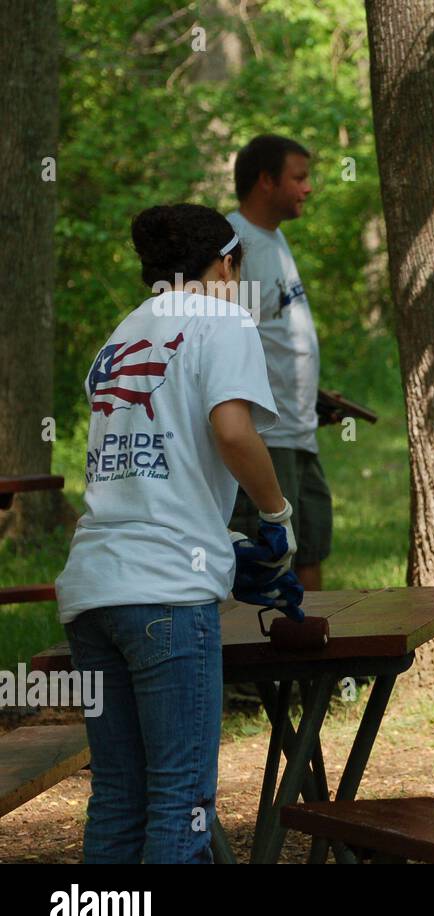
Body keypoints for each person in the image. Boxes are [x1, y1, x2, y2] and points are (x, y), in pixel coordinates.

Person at [55, 204, 289, 862]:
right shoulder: (223, 318)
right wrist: (276, 516)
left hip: (93, 590)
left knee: (120, 797)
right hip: (166, 593)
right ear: (222, 262)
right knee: (180, 800)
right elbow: (234, 431)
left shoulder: (122, 334)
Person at [226, 134, 331, 591]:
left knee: (311, 547)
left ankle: (322, 655)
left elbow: (273, 334)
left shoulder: (274, 238)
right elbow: (225, 342)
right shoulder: (233, 247)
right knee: (271, 562)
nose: (308, 189)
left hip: (300, 427)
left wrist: (316, 396)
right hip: (267, 434)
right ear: (266, 181)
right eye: (299, 178)